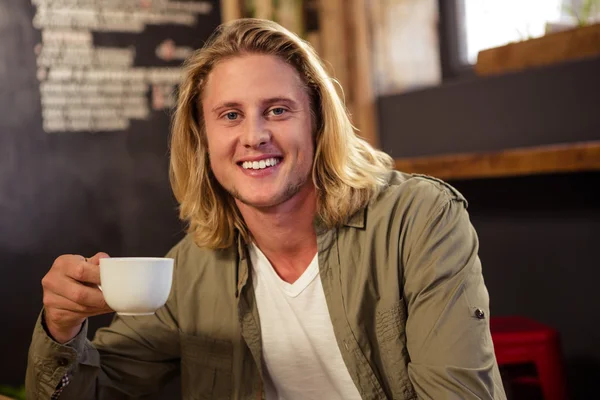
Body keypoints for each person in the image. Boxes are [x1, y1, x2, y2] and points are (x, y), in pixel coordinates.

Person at [26, 18, 506, 400]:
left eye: (277, 110)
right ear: (203, 138)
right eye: (230, 115)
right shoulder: (191, 266)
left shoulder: (419, 219)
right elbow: (93, 391)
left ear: (317, 123)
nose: (254, 136)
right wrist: (62, 329)